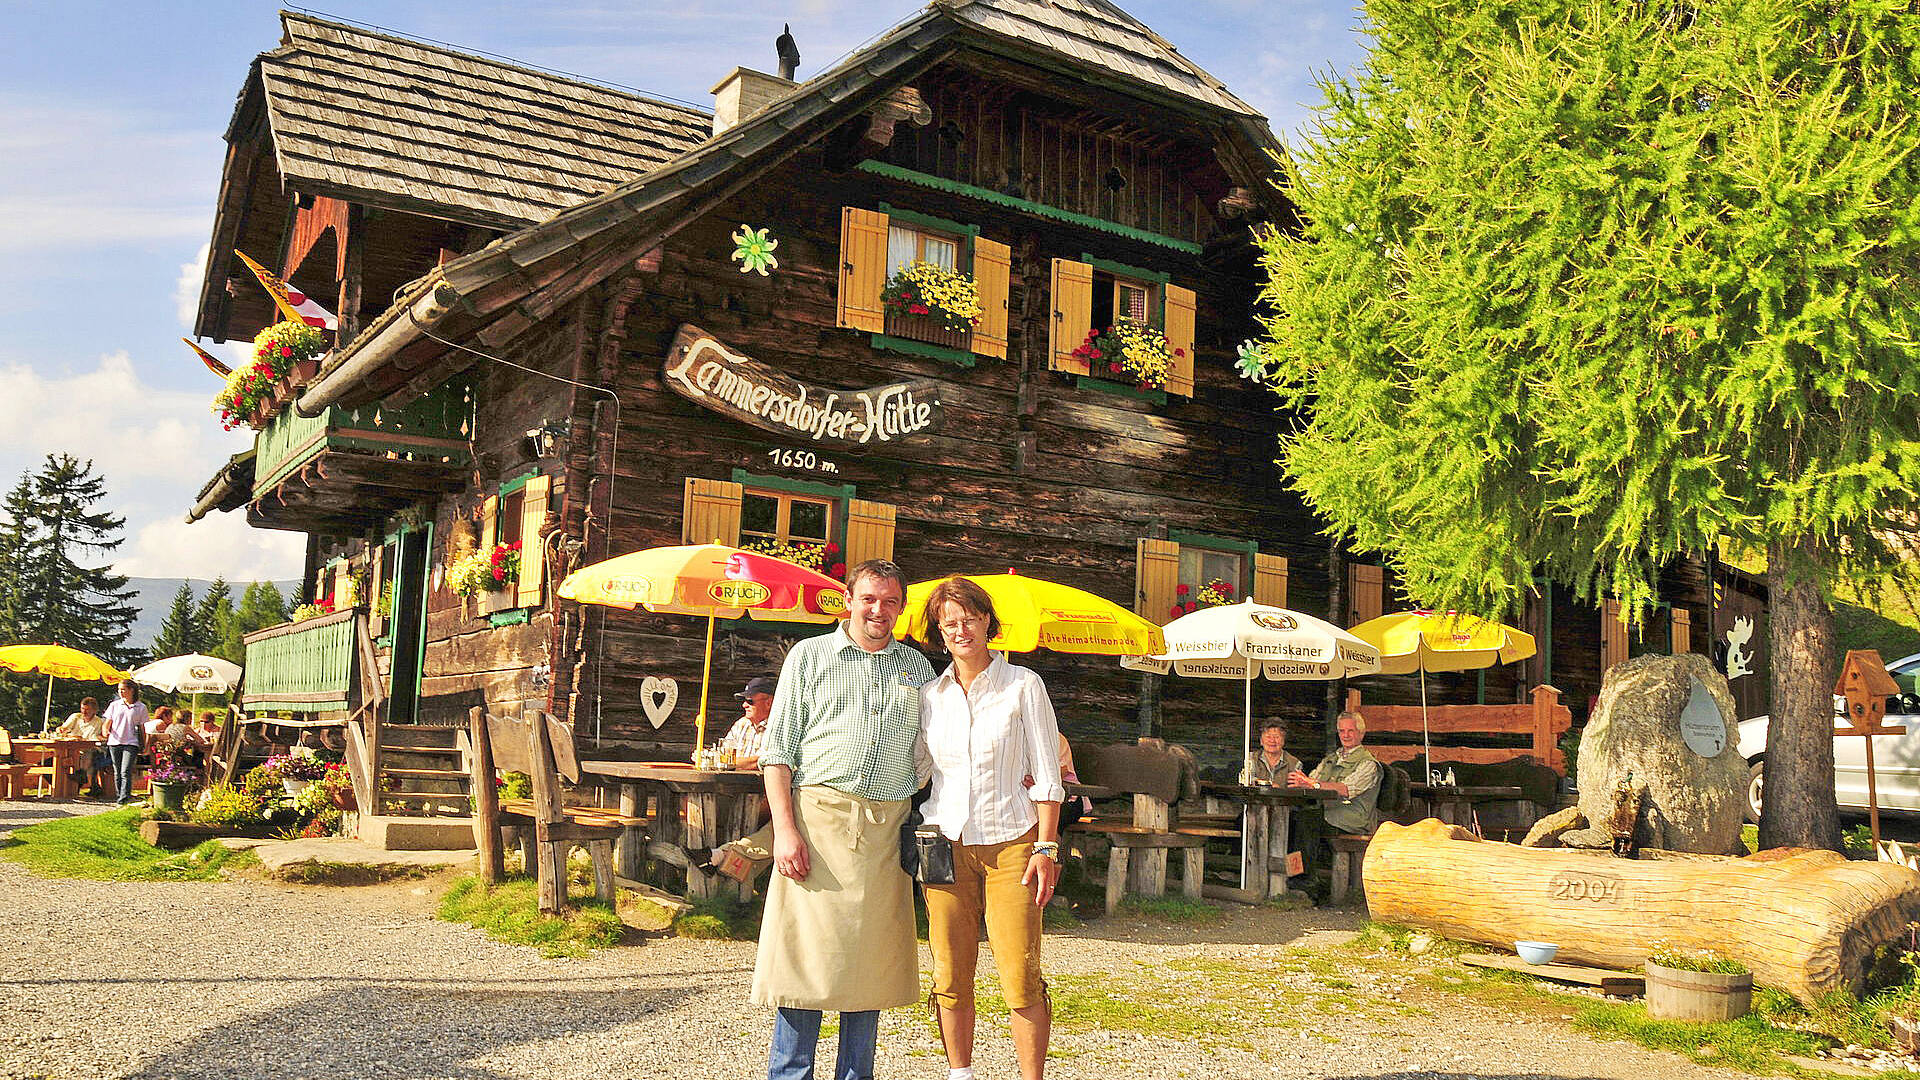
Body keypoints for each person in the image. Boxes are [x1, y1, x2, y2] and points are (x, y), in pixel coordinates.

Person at [751, 559, 933, 1080]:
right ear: (849, 599)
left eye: (891, 602)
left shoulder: (915, 668)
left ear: (900, 608)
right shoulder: (809, 658)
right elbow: (778, 753)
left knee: (868, 966)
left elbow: (936, 750)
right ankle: (790, 1075)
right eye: (869, 599)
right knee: (804, 963)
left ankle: (857, 1076)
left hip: (885, 832)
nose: (879, 610)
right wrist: (785, 831)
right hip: (819, 825)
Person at [917, 576, 1063, 1080]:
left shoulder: (1024, 685)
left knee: (1020, 975)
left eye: (969, 619)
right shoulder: (928, 697)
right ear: (939, 631)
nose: (961, 630)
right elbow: (916, 770)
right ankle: (961, 1073)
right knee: (950, 974)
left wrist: (1047, 846)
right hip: (943, 842)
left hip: (1014, 843)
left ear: (987, 622)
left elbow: (1047, 773)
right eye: (949, 623)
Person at [1288, 710, 1384, 835]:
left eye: (1351, 731)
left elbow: (1346, 789)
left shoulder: (1368, 763)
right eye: (1342, 731)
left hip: (1353, 822)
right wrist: (1302, 781)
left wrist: (1313, 784)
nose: (1346, 735)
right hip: (1326, 813)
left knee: (1308, 820)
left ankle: (1306, 856)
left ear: (1361, 734)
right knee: (1292, 818)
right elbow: (1311, 780)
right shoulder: (1331, 759)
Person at [102, 680, 149, 806]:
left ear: (131, 690)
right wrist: (106, 730)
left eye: (123, 689)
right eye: (119, 689)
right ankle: (120, 796)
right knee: (117, 771)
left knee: (125, 770)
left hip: (131, 742)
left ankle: (124, 798)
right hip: (114, 741)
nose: (120, 692)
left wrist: (144, 745)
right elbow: (107, 722)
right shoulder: (114, 705)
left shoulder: (141, 707)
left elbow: (142, 729)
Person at [54, 697, 112, 796]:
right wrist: (60, 729)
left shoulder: (98, 722)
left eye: (87, 710)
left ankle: (81, 776)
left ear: (94, 710)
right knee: (59, 759)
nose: (84, 712)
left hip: (90, 749)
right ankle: (85, 781)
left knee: (90, 753)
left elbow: (93, 738)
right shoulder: (76, 717)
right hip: (72, 748)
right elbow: (64, 728)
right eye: (82, 709)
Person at [721, 675, 777, 770]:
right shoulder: (741, 724)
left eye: (750, 701)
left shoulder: (777, 728)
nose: (744, 705)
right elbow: (723, 753)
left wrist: (728, 761)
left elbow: (760, 761)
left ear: (769, 703)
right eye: (744, 700)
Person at [1240, 720, 1302, 786]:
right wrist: (1269, 784)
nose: (1272, 740)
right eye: (1268, 737)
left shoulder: (1295, 764)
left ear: (1283, 741)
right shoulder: (1251, 758)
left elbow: (1294, 790)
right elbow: (1247, 780)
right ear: (1261, 741)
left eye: (1276, 737)